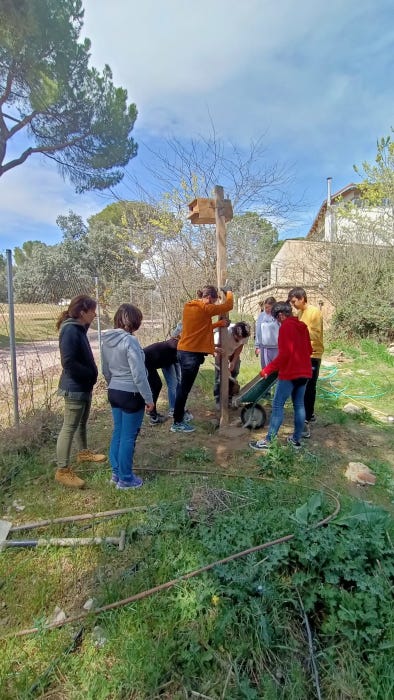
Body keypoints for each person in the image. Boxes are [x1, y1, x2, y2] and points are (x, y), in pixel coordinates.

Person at [55, 295, 106, 489]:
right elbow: (68, 362)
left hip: (84, 386)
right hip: (75, 387)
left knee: (81, 422)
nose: (95, 314)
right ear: (82, 312)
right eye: (92, 311)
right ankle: (62, 470)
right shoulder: (69, 330)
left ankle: (83, 452)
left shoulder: (78, 328)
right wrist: (88, 375)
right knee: (69, 427)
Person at [102, 304, 154, 489]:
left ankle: (116, 473)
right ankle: (126, 479)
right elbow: (139, 374)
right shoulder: (130, 342)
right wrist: (148, 399)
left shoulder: (106, 340)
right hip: (131, 393)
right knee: (128, 436)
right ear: (134, 322)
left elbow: (105, 370)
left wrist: (113, 384)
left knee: (118, 431)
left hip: (114, 391)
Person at [249, 301, 312, 451]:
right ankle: (296, 440)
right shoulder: (302, 326)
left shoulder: (285, 327)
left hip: (290, 373)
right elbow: (309, 350)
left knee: (278, 405)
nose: (277, 321)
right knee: (299, 405)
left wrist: (267, 370)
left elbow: (284, 354)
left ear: (282, 315)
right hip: (305, 372)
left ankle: (269, 440)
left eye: (277, 318)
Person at [170, 284, 234, 433]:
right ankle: (177, 422)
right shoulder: (206, 307)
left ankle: (179, 416)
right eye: (213, 301)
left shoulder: (190, 306)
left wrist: (219, 324)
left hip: (183, 351)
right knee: (183, 390)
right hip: (190, 356)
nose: (213, 304)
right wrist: (229, 292)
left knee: (182, 388)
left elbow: (201, 328)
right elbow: (228, 305)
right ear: (209, 298)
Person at [287, 287, 324, 437]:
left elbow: (315, 334)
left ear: (302, 298)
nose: (293, 304)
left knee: (309, 387)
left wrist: (298, 329)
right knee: (303, 385)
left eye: (294, 301)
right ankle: (309, 413)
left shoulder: (314, 312)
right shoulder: (301, 312)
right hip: (303, 354)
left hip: (313, 354)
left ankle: (307, 418)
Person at [143, 337, 193, 424]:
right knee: (156, 385)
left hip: (150, 362)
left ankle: (152, 412)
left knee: (157, 385)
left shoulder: (181, 352)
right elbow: (172, 343)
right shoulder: (176, 345)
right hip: (144, 361)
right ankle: (153, 416)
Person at [214, 321, 251, 409]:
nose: (240, 339)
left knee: (234, 373)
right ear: (233, 332)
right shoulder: (222, 334)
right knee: (220, 376)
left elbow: (240, 346)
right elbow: (216, 350)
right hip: (220, 352)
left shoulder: (245, 333)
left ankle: (229, 398)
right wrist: (225, 363)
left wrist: (233, 361)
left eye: (241, 338)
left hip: (233, 353)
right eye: (238, 338)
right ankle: (218, 400)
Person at [254, 296, 279, 368]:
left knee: (276, 368)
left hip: (277, 347)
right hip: (264, 347)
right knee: (266, 368)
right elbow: (258, 331)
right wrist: (257, 346)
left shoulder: (278, 315)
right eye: (266, 308)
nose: (267, 309)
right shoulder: (262, 316)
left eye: (269, 307)